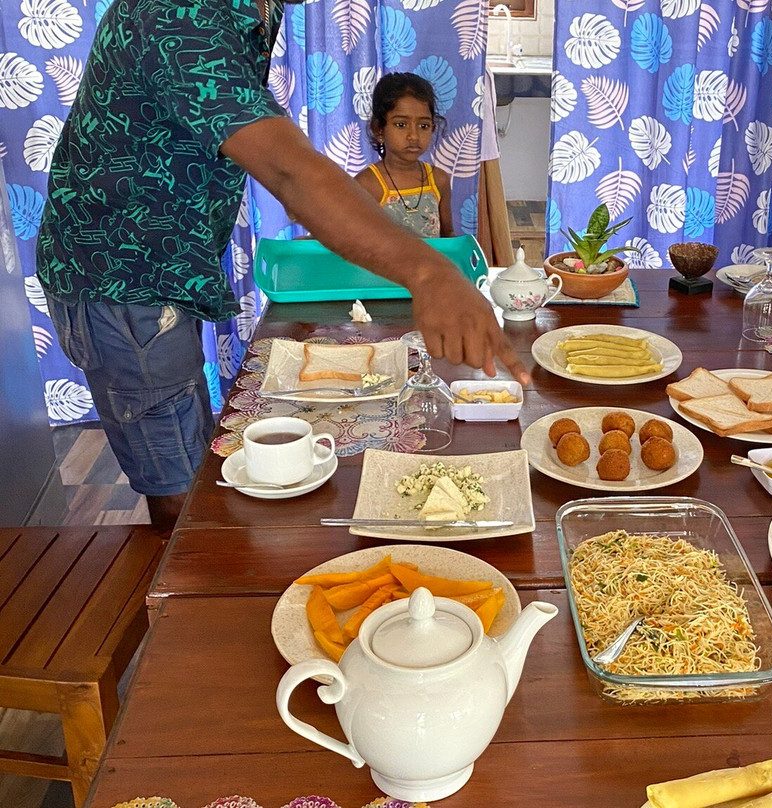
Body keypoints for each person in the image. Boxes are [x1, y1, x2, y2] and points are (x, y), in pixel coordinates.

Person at [35, 0, 526, 530]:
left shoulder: (252, 14)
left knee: (193, 464)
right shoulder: (178, 13)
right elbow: (293, 178)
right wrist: (431, 274)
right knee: (179, 496)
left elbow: (289, 174)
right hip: (122, 281)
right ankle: (177, 605)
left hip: (162, 280)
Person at [355, 73, 454, 239]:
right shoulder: (367, 185)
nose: (414, 136)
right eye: (401, 125)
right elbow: (351, 239)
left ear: (433, 127)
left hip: (430, 265)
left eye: (423, 125)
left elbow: (448, 235)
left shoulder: (438, 180)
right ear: (379, 129)